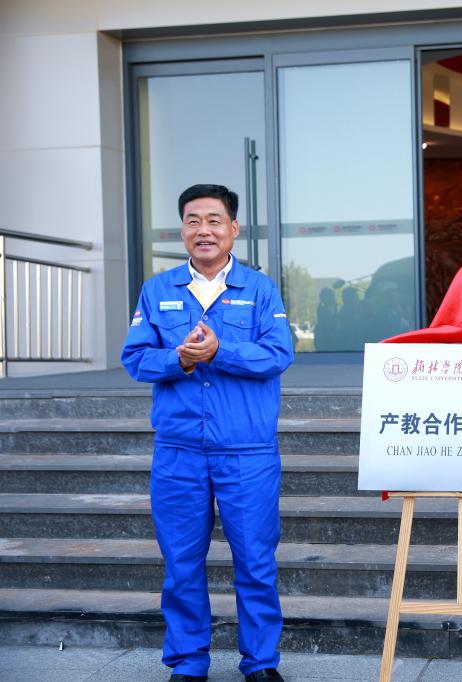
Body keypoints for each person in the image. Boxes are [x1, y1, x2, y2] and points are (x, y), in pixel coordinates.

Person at [122, 184, 293, 682]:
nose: (204, 230)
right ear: (182, 231)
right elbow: (135, 358)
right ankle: (188, 662)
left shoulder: (259, 289)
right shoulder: (158, 290)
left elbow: (278, 354)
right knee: (181, 563)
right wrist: (178, 359)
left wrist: (221, 351)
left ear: (233, 228)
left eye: (214, 220)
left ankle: (260, 663)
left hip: (247, 452)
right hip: (179, 451)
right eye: (193, 220)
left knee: (255, 560)